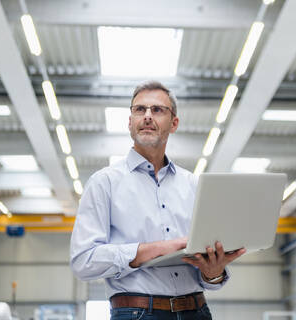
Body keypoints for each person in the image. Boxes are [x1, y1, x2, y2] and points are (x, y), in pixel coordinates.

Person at [70, 81, 246, 320]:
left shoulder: (194, 185)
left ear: (174, 123)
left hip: (197, 311)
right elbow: (83, 261)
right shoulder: (104, 183)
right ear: (130, 122)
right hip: (136, 313)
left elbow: (210, 280)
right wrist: (155, 249)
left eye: (158, 110)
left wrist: (213, 272)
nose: (147, 116)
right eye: (139, 110)